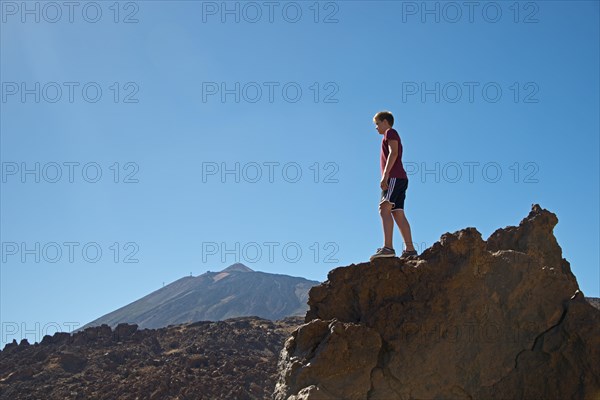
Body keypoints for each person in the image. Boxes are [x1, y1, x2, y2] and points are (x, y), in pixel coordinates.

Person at [370, 111, 417, 260]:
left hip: (394, 177)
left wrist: (385, 175)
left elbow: (394, 152)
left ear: (385, 121)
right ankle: (410, 250)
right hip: (400, 178)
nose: (376, 127)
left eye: (377, 123)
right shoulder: (389, 134)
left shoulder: (390, 132)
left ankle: (388, 248)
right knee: (397, 213)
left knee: (384, 208)